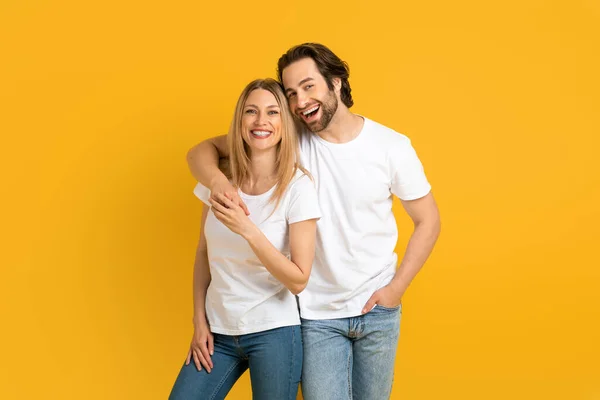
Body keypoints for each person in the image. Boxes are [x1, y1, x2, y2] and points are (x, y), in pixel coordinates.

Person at [187, 43, 441, 400]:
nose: (300, 101)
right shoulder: (287, 136)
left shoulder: (391, 146)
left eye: (308, 86)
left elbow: (428, 220)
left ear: (336, 82)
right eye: (291, 93)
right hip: (316, 315)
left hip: (378, 310)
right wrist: (219, 182)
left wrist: (395, 291)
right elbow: (201, 151)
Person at [169, 78, 321, 400]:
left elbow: (298, 279)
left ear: (284, 123)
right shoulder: (222, 180)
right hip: (218, 333)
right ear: (240, 121)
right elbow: (203, 253)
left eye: (272, 112)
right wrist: (199, 320)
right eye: (251, 111)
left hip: (274, 332)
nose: (261, 121)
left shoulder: (298, 187)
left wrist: (248, 229)